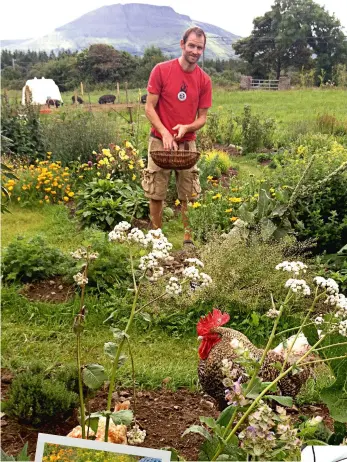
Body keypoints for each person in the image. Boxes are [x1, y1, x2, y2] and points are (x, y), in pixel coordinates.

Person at [142, 26, 212, 247]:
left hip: (186, 142)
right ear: (182, 45)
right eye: (191, 45)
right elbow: (149, 108)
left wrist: (187, 127)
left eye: (199, 47)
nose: (195, 50)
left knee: (188, 192)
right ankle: (156, 237)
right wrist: (164, 132)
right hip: (158, 141)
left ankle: (188, 238)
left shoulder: (204, 80)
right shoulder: (161, 70)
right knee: (156, 190)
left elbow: (202, 118)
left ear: (203, 49)